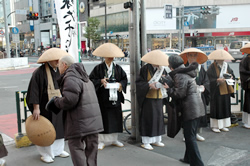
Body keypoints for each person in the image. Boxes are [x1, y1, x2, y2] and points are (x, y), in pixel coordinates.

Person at [51, 55, 104, 166]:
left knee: (76, 149)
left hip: (78, 122)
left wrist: (56, 101)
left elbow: (69, 100)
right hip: (93, 122)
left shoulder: (70, 77)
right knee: (92, 151)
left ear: (64, 65)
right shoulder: (84, 76)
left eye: (59, 65)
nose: (58, 68)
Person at [26, 48, 70, 163]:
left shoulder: (60, 70)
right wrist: (36, 108)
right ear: (48, 60)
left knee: (59, 129)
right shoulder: (39, 72)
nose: (57, 61)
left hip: (58, 105)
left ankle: (58, 150)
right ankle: (45, 153)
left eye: (58, 59)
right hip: (45, 107)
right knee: (44, 130)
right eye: (55, 59)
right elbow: (34, 91)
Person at [166, 55, 205, 166]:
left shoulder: (179, 74)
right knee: (189, 135)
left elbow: (179, 93)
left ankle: (198, 163)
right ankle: (188, 158)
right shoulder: (186, 72)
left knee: (190, 137)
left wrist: (168, 89)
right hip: (196, 108)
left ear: (172, 65)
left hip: (190, 110)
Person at [89, 43, 128, 150]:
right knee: (104, 118)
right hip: (103, 98)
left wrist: (120, 85)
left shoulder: (118, 68)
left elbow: (124, 79)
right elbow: (90, 80)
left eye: (112, 56)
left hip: (115, 97)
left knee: (115, 118)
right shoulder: (98, 68)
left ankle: (114, 139)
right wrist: (100, 81)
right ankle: (101, 141)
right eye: (108, 55)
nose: (111, 57)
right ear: (104, 56)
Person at [136, 50, 169, 150]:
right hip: (148, 98)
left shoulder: (162, 69)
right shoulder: (145, 69)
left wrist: (165, 82)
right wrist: (149, 85)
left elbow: (169, 80)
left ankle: (157, 139)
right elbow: (139, 82)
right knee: (148, 119)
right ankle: (146, 141)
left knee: (158, 118)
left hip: (159, 97)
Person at [180, 48, 210, 142]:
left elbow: (206, 81)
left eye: (194, 56)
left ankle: (196, 133)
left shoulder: (200, 68)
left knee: (198, 115)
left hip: (199, 96)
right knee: (188, 116)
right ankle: (187, 134)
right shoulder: (183, 68)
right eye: (191, 55)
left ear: (197, 57)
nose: (193, 58)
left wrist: (204, 86)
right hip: (188, 97)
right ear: (187, 56)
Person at [206, 50, 235, 133]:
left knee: (225, 107)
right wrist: (216, 80)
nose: (221, 60)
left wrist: (231, 77)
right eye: (219, 59)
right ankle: (215, 126)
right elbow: (208, 79)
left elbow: (231, 74)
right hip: (216, 91)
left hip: (225, 88)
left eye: (223, 59)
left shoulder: (226, 66)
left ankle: (224, 125)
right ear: (216, 59)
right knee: (217, 108)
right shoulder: (212, 67)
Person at [239, 43, 250, 129]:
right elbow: (242, 72)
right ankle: (247, 122)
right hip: (249, 85)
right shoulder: (245, 60)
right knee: (248, 104)